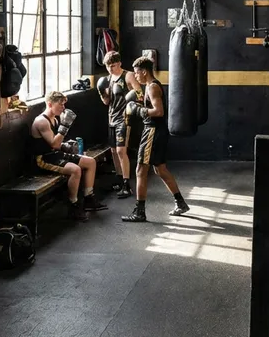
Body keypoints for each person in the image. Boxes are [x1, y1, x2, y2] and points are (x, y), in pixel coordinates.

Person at [122, 56, 189, 222]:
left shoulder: (152, 87)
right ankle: (180, 203)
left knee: (140, 170)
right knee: (160, 169)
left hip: (153, 131)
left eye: (137, 73)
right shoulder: (149, 86)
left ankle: (139, 212)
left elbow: (158, 111)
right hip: (156, 131)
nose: (135, 76)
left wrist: (140, 111)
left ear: (144, 72)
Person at [31, 91, 107, 220]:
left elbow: (57, 144)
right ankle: (73, 205)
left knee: (90, 162)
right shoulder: (41, 121)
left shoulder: (54, 119)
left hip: (55, 155)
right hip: (43, 159)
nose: (63, 108)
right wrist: (65, 126)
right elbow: (54, 144)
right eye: (60, 104)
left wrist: (67, 145)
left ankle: (88, 198)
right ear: (50, 104)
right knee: (75, 170)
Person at [98, 52, 142, 198]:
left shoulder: (128, 76)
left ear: (119, 63)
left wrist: (131, 101)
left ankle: (126, 184)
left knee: (121, 151)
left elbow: (140, 94)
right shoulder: (108, 79)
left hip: (124, 118)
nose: (110, 68)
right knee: (113, 151)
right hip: (111, 118)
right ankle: (119, 179)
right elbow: (106, 102)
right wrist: (101, 92)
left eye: (113, 65)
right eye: (108, 66)